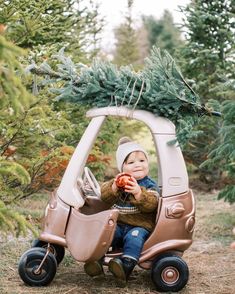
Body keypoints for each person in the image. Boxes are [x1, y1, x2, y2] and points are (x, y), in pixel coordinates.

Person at [84, 137, 159, 282]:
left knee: (134, 240)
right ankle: (96, 263)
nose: (138, 165)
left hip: (139, 226)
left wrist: (138, 193)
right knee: (106, 235)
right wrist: (114, 188)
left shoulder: (150, 185)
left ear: (147, 164)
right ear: (122, 167)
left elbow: (152, 204)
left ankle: (124, 269)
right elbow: (104, 195)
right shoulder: (118, 181)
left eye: (142, 161)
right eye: (131, 162)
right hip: (119, 223)